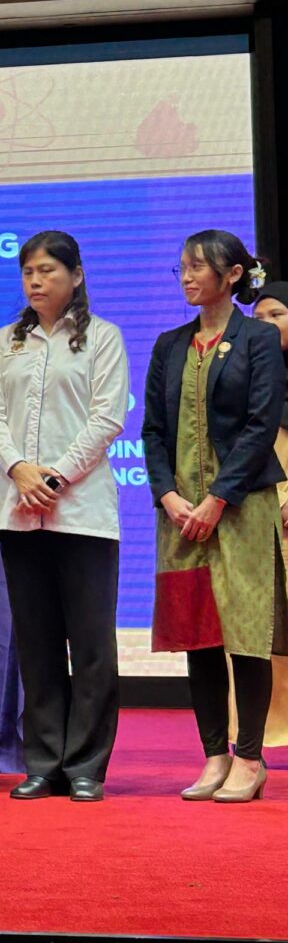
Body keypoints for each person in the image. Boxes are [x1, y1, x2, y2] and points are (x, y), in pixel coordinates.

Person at [0, 232, 128, 802]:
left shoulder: (103, 337)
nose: (35, 281)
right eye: (28, 272)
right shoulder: (6, 340)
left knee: (90, 646)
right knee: (36, 643)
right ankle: (43, 762)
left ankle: (85, 765)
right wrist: (20, 470)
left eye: (47, 270)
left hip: (82, 514)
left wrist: (55, 478)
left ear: (77, 275)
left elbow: (107, 418)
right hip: (20, 512)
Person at [144, 230, 285, 804]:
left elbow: (261, 424)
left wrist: (218, 497)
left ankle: (250, 758)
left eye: (198, 267)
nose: (187, 276)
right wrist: (167, 495)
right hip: (180, 515)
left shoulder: (258, 339)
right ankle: (213, 756)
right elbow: (153, 430)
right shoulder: (169, 344)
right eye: (181, 267)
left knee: (247, 636)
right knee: (198, 636)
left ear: (232, 275)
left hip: (242, 507)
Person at [248, 281, 288, 748]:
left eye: (276, 315)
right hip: (260, 504)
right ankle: (264, 737)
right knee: (266, 623)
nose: (266, 325)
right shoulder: (249, 378)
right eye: (258, 319)